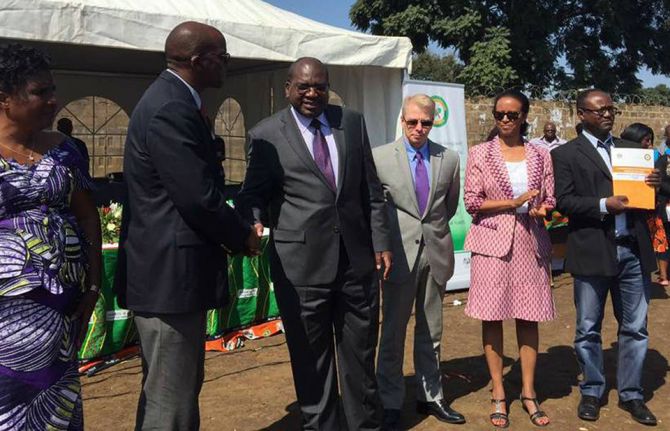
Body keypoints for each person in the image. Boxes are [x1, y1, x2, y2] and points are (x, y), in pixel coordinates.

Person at [115, 22, 259, 431]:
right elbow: (198, 197)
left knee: (172, 390)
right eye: (223, 57)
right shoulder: (170, 107)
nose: (227, 65)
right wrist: (242, 235)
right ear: (198, 61)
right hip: (168, 280)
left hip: (171, 278)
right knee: (170, 399)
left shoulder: (175, 100)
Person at [237, 57, 392, 430]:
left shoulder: (350, 122)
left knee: (360, 353)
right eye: (303, 86)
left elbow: (370, 189)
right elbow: (252, 194)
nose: (312, 93)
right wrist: (252, 220)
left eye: (319, 86)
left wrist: (381, 241)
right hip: (300, 267)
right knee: (312, 361)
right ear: (288, 87)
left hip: (356, 263)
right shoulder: (266, 133)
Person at [0, 43, 101, 430]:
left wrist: (94, 282)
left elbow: (87, 215)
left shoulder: (65, 151)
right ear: (5, 98)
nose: (53, 100)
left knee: (56, 404)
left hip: (62, 310)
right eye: (40, 92)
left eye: (52, 90)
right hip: (8, 316)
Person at [552, 89, 661, 426]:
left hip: (632, 249)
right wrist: (603, 205)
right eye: (599, 110)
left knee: (636, 327)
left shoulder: (632, 152)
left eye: (611, 109)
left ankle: (631, 394)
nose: (607, 115)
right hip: (592, 250)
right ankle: (593, 390)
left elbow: (659, 195)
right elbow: (564, 201)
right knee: (587, 328)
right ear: (581, 115)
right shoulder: (567, 154)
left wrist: (659, 182)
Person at [463, 89, 555, 428]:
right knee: (492, 317)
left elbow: (549, 197)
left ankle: (529, 392)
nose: (504, 119)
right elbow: (472, 202)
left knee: (528, 318)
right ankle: (499, 392)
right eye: (499, 113)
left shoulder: (540, 154)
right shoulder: (479, 154)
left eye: (512, 114)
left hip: (530, 242)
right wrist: (512, 202)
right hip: (491, 244)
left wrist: (544, 208)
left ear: (523, 117)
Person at [373, 94, 464, 429]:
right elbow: (376, 212)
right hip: (397, 257)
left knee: (432, 331)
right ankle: (391, 402)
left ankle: (430, 396)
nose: (419, 128)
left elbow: (448, 207)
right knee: (393, 332)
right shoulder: (380, 158)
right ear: (402, 120)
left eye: (425, 122)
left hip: (435, 254)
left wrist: (431, 236)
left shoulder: (449, 159)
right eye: (412, 121)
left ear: (433, 121)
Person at [621, 123, 670, 287]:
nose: (650, 145)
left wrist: (655, 187)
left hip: (650, 214)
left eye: (651, 141)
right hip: (626, 219)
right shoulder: (619, 163)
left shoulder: (651, 162)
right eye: (646, 141)